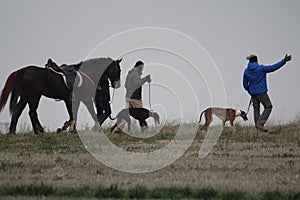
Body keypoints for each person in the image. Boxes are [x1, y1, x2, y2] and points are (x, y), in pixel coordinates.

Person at [243, 54, 292, 132]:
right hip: (261, 92)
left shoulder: (246, 71)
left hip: (253, 93)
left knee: (256, 109)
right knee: (268, 106)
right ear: (256, 60)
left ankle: (258, 128)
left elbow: (245, 84)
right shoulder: (261, 68)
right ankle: (260, 123)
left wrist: (250, 91)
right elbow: (273, 67)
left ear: (249, 61)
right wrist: (283, 61)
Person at [112, 60, 151, 133]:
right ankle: (145, 129)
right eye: (142, 67)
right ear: (140, 66)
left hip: (128, 97)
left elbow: (126, 85)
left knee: (126, 114)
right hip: (135, 98)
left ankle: (117, 129)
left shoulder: (130, 73)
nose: (143, 69)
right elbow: (137, 84)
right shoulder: (136, 74)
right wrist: (145, 79)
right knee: (141, 113)